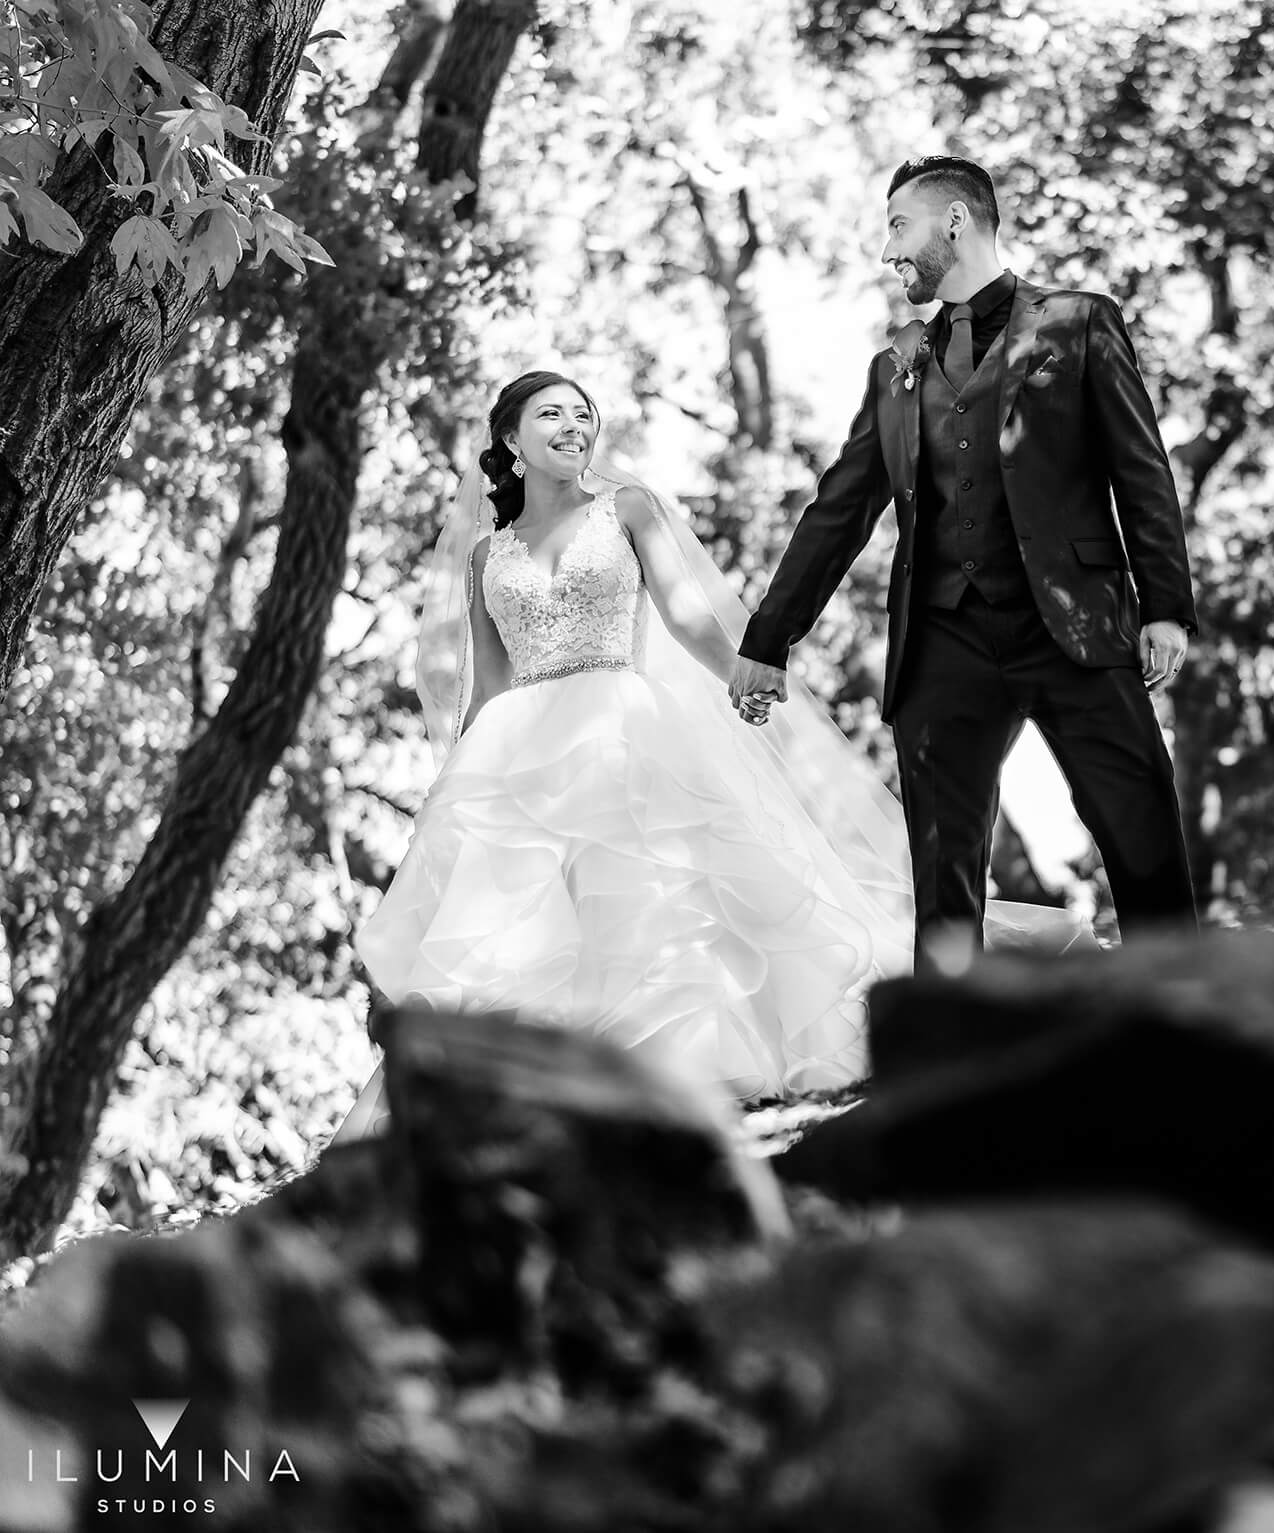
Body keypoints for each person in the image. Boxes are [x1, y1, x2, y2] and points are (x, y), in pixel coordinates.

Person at [338, 370, 1083, 1140]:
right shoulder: (487, 556)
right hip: (520, 747)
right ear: (510, 443)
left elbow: (686, 614)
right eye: (550, 413)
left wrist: (743, 670)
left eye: (583, 413)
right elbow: (490, 681)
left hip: (621, 724)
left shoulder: (625, 510)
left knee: (651, 895)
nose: (573, 424)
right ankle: (546, 1085)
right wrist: (462, 783)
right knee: (527, 917)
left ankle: (680, 1064)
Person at [725, 155, 1201, 971]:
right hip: (942, 641)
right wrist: (767, 639)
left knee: (1142, 834)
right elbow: (840, 512)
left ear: (955, 221)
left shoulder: (1079, 322)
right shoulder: (895, 367)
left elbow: (1141, 469)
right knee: (942, 878)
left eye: (898, 226)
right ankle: (945, 1054)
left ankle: (1194, 1034)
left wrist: (1165, 604)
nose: (887, 252)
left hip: (1075, 625)